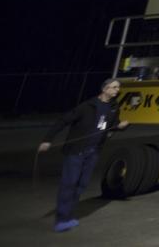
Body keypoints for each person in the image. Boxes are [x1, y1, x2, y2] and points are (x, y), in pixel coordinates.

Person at [38, 78, 128, 232]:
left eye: (118, 88)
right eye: (113, 87)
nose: (117, 90)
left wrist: (120, 126)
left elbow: (111, 126)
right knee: (69, 184)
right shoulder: (87, 106)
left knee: (81, 185)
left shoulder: (114, 108)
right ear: (105, 89)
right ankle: (61, 219)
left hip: (93, 152)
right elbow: (63, 121)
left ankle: (69, 216)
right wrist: (47, 140)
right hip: (76, 151)